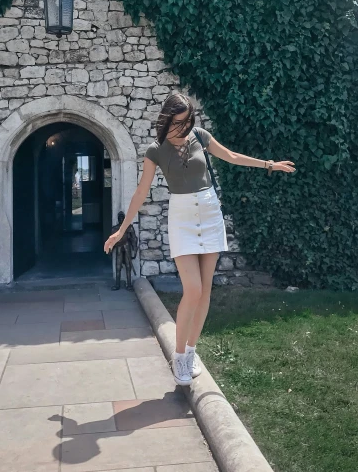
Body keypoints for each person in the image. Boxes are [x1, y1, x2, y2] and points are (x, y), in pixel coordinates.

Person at [104, 92, 296, 386]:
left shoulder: (200, 136)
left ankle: (191, 352)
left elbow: (231, 156)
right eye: (179, 122)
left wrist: (268, 164)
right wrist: (121, 230)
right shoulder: (155, 150)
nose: (184, 126)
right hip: (181, 217)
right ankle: (179, 357)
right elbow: (141, 192)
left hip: (209, 213)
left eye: (188, 121)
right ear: (167, 119)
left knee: (205, 291)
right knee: (192, 289)